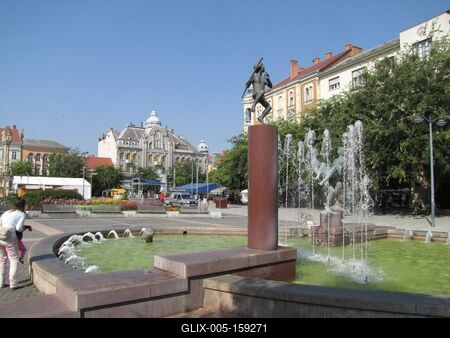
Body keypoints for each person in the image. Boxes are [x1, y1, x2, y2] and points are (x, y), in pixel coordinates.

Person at [0, 198, 27, 289]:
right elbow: (19, 228)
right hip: (11, 238)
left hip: (1, 237)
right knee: (13, 259)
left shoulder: (6, 212)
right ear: (23, 205)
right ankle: (13, 283)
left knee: (2, 260)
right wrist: (24, 228)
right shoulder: (21, 214)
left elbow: (0, 224)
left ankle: (1, 282)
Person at [243, 58, 273, 124]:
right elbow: (247, 85)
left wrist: (268, 79)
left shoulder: (264, 78)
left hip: (261, 96)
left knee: (269, 107)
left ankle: (261, 117)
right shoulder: (254, 76)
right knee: (262, 91)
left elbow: (271, 86)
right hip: (256, 94)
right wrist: (248, 82)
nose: (264, 67)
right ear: (260, 68)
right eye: (263, 66)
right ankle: (253, 105)